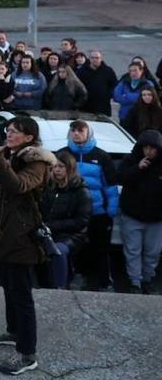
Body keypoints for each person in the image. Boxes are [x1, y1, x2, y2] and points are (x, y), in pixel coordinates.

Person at [0, 118, 51, 376]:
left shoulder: (37, 161)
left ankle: (27, 354)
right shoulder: (8, 154)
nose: (10, 134)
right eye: (9, 131)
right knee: (8, 285)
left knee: (22, 294)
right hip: (3, 230)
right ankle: (14, 331)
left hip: (22, 235)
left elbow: (17, 185)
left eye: (15, 132)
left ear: (29, 137)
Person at [59, 120, 118, 292]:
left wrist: (111, 210)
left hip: (98, 212)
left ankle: (105, 282)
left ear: (88, 133)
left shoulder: (101, 156)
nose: (76, 133)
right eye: (73, 130)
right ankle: (75, 277)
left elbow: (110, 186)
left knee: (101, 249)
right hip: (72, 212)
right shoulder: (63, 154)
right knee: (73, 248)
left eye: (80, 130)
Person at [116, 130, 162, 294]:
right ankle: (135, 282)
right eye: (146, 147)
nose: (149, 151)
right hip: (132, 215)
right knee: (133, 251)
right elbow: (119, 177)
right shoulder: (130, 160)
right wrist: (137, 168)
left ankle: (148, 279)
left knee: (152, 252)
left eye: (153, 148)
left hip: (156, 218)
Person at [39, 152, 91, 290]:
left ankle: (60, 288)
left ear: (70, 168)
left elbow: (82, 220)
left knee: (58, 251)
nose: (57, 170)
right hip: (49, 232)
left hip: (73, 235)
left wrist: (52, 226)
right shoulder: (49, 188)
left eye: (61, 166)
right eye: (55, 166)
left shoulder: (81, 191)